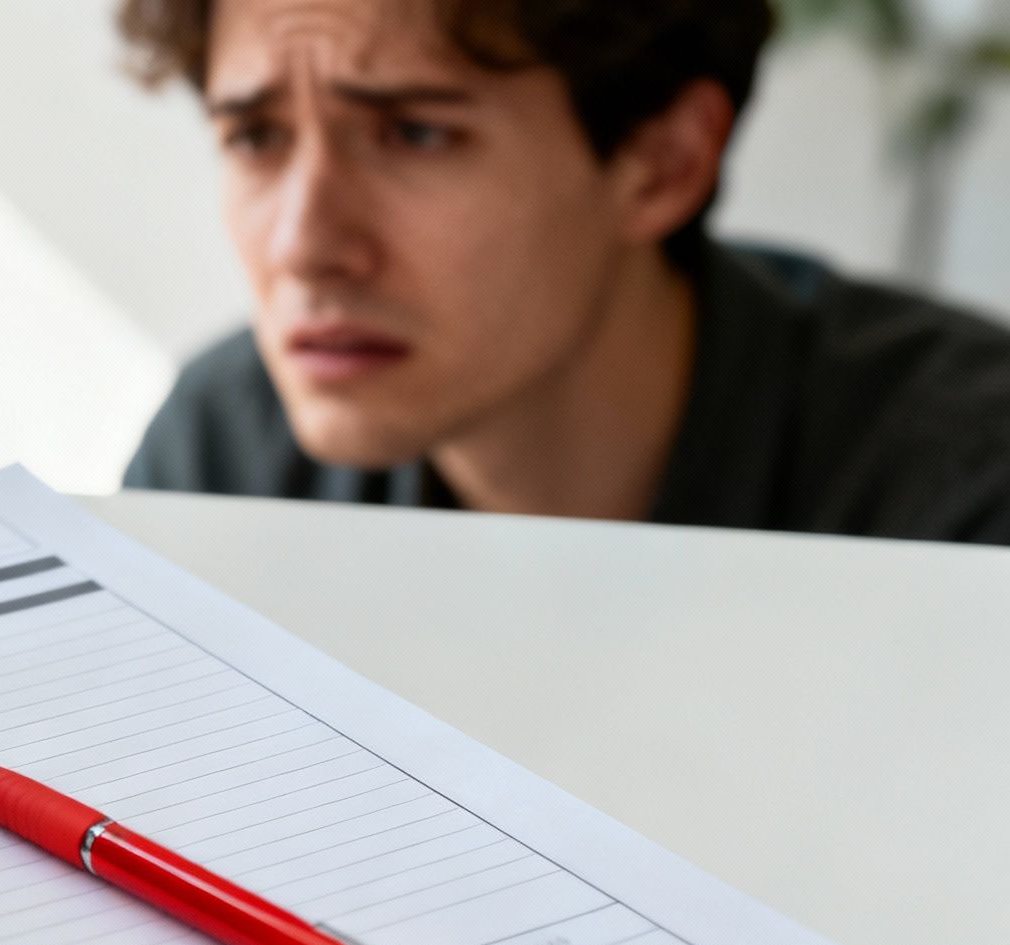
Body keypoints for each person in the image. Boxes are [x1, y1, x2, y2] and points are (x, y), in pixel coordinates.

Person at [117, 0, 1010, 544]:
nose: (303, 246)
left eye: (416, 134)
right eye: (255, 137)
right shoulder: (220, 454)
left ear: (663, 163)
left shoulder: (969, 488)